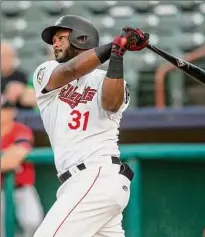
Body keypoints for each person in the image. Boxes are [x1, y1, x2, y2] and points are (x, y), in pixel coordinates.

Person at [32, 15, 149, 237]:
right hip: (78, 184)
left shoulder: (111, 81)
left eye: (60, 38)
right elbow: (69, 71)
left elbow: (111, 104)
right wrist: (114, 46)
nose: (54, 44)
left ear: (81, 38)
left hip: (97, 175)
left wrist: (118, 54)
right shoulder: (45, 72)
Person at [1, 97, 44, 237]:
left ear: (12, 111)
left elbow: (17, 155)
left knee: (33, 223)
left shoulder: (21, 129)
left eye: (6, 109)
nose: (3, 112)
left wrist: (10, 158)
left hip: (22, 188)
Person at [1, 42, 30, 110]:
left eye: (7, 56)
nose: (3, 60)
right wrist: (7, 97)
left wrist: (22, 92)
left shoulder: (23, 76)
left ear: (13, 57)